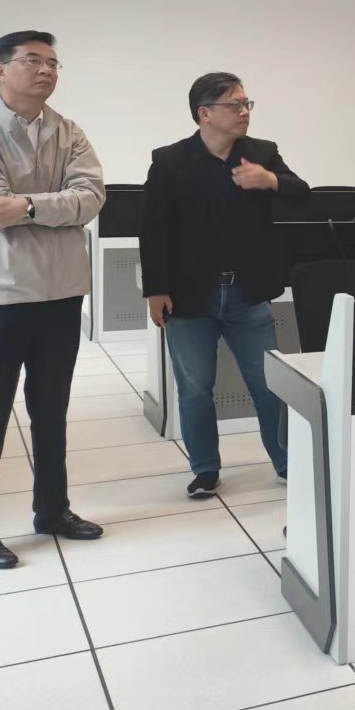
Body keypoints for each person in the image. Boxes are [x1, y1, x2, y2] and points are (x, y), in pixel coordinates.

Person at [0, 31, 107, 568]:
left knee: (51, 410)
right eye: (32, 60)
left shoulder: (69, 132)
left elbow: (91, 198)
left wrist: (27, 207)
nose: (45, 70)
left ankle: (52, 510)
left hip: (60, 291)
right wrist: (50, 206)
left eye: (53, 62)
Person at [142, 72, 306, 498]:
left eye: (247, 103)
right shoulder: (170, 161)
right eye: (234, 105)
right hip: (188, 297)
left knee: (268, 384)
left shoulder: (262, 153)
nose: (244, 112)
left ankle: (287, 461)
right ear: (205, 113)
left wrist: (270, 180)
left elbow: (302, 193)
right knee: (195, 388)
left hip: (247, 293)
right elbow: (153, 230)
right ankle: (205, 469)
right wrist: (156, 289)